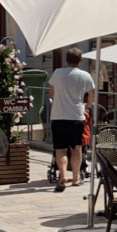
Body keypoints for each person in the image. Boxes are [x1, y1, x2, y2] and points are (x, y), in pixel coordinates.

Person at [48, 47, 94, 193]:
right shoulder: (85, 75)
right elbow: (91, 95)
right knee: (76, 149)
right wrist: (87, 106)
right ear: (80, 60)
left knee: (60, 149)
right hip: (76, 116)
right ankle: (75, 178)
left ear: (66, 59)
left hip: (58, 115)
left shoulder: (58, 73)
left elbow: (51, 93)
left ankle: (62, 176)